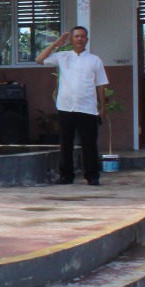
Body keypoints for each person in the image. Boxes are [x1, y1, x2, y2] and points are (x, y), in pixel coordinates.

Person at [36, 25, 109, 185]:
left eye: (83, 36)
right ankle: (66, 176)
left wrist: (103, 107)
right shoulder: (63, 56)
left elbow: (101, 85)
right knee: (66, 144)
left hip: (88, 109)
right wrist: (56, 43)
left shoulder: (94, 60)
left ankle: (92, 176)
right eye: (76, 36)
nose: (79, 39)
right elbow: (39, 59)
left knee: (89, 144)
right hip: (66, 107)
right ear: (71, 39)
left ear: (87, 40)